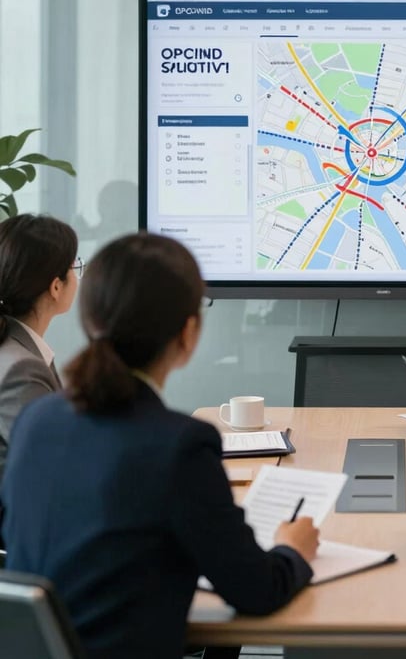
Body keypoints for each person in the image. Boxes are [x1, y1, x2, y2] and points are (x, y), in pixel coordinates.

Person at [1, 232, 319, 659]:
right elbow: (258, 591)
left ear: (91, 321)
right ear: (188, 334)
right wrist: (293, 550)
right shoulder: (180, 445)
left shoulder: (36, 421)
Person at [0, 213, 79, 484]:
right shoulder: (20, 369)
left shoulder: (16, 349)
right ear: (56, 287)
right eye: (74, 267)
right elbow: (54, 469)